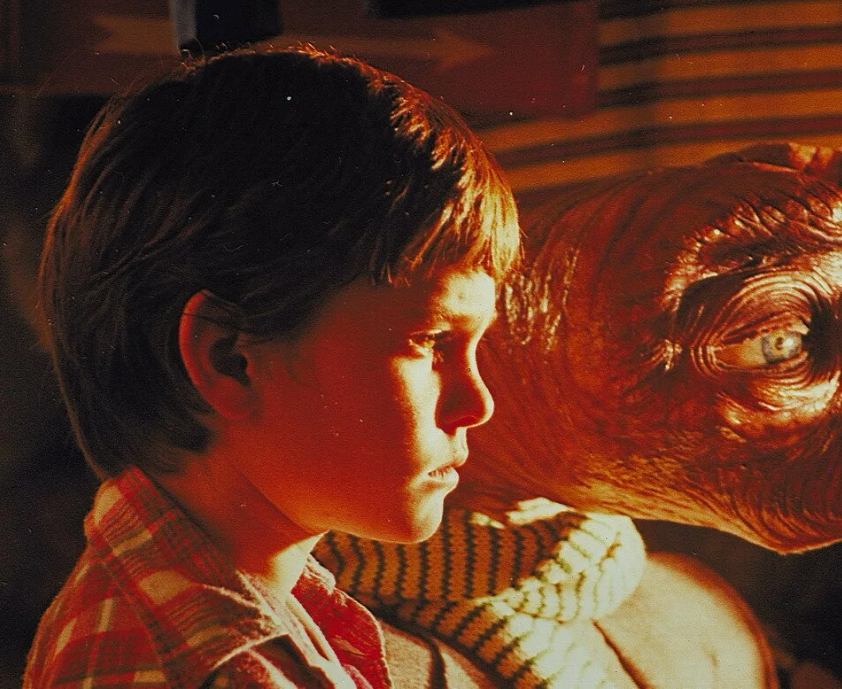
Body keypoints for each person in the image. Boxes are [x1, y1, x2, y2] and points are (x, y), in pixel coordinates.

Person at [23, 45, 519, 688]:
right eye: (430, 342)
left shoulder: (250, 604)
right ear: (230, 360)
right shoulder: (199, 669)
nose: (477, 404)